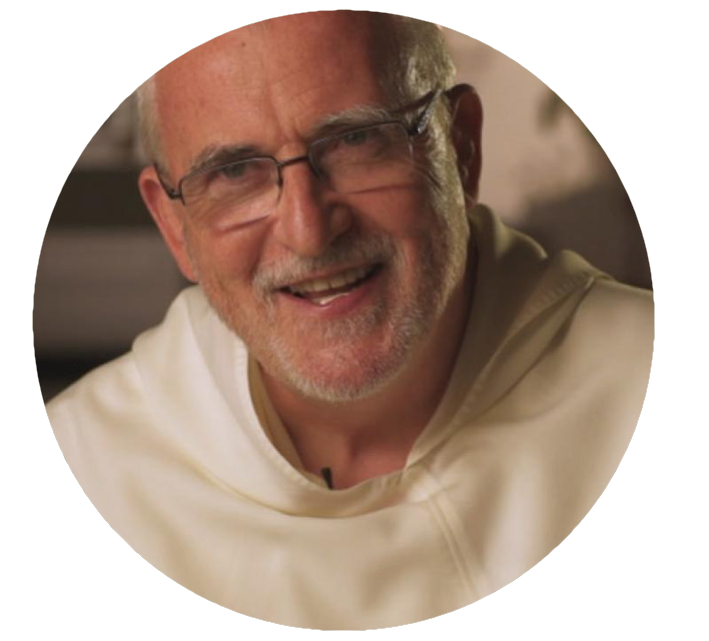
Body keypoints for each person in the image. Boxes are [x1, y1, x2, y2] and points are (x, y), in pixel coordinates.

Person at [45, 11, 654, 630]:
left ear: (460, 149)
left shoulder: (634, 376)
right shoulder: (90, 466)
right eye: (233, 172)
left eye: (356, 141)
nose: (308, 232)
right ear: (174, 226)